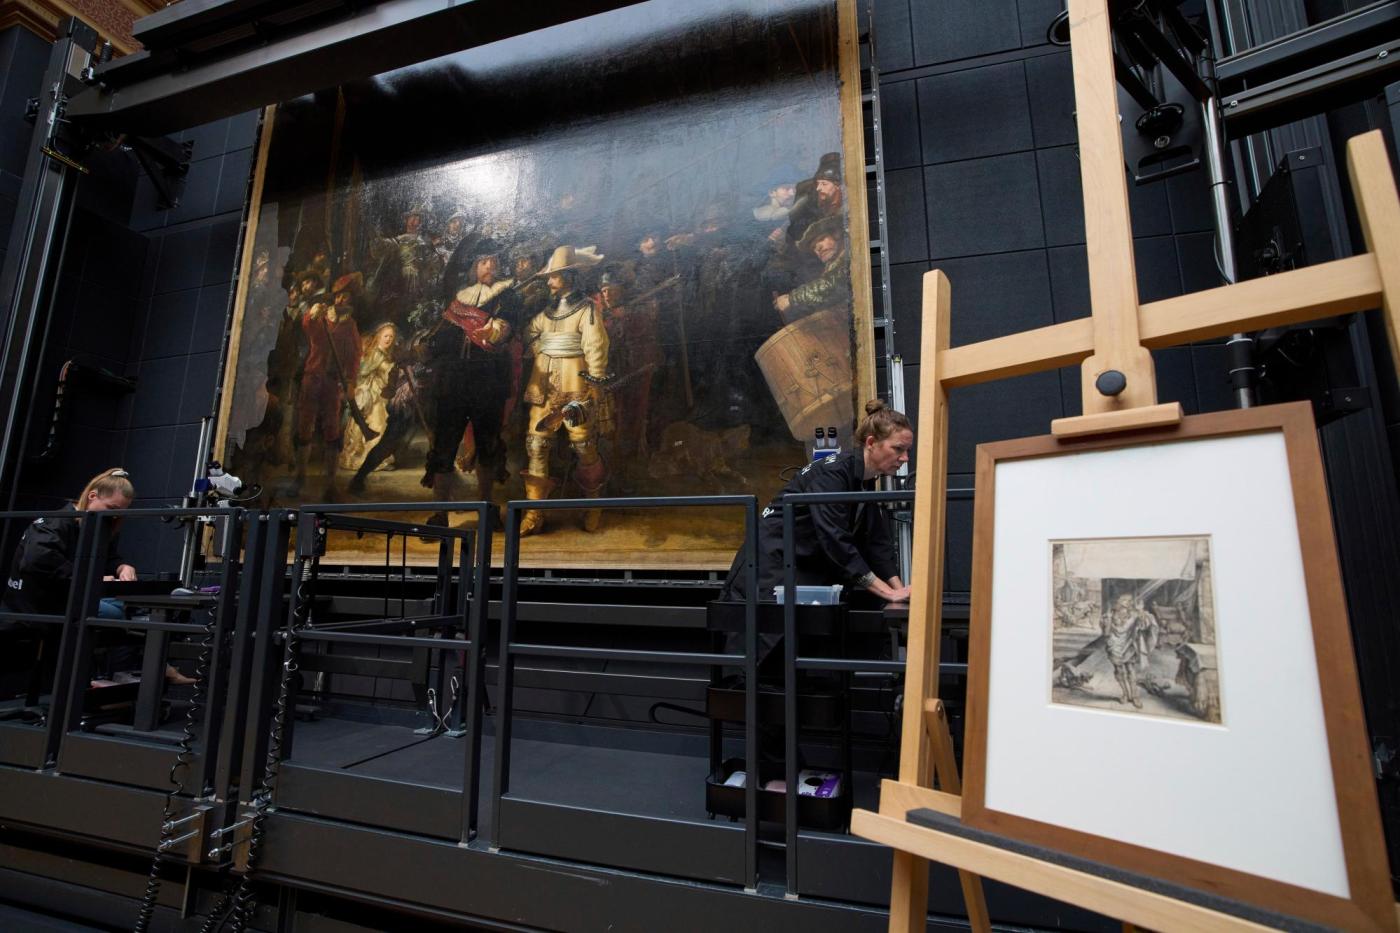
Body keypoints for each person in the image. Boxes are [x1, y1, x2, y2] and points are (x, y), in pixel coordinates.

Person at [1, 469, 191, 688]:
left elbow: (108, 558)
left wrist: (121, 567)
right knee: (118, 613)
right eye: (112, 508)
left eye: (120, 512)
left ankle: (136, 671)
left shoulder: (97, 527)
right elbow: (37, 561)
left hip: (67, 599)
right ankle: (122, 673)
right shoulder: (55, 523)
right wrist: (92, 577)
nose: (115, 516)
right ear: (92, 496)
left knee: (132, 610)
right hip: (37, 605)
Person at [721, 399, 912, 604]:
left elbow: (876, 542)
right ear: (871, 443)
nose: (905, 458)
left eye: (907, 450)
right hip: (769, 572)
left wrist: (900, 591)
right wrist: (888, 593)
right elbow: (835, 540)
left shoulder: (864, 480)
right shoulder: (832, 475)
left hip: (798, 570)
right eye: (898, 449)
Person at [520, 245, 609, 535]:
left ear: (569, 277)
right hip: (543, 384)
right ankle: (534, 513)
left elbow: (595, 346)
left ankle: (593, 506)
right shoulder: (545, 313)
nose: (549, 281)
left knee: (583, 445)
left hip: (576, 383)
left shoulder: (587, 309)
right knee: (536, 444)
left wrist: (595, 381)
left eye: (555, 276)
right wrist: (542, 348)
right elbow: (529, 334)